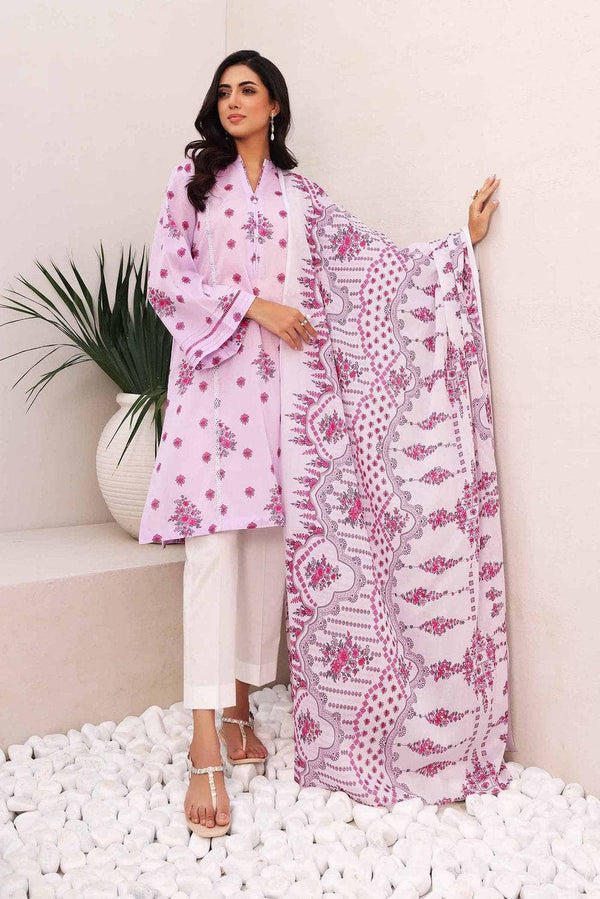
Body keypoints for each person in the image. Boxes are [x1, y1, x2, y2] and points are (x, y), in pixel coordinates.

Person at [139, 49, 503, 835]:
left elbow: (373, 265)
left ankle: (240, 708)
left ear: (275, 105)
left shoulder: (302, 198)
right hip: (211, 397)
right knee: (211, 555)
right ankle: (204, 741)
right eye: (224, 91)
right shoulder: (193, 180)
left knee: (268, 551)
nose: (233, 101)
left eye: (249, 90)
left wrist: (455, 247)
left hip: (284, 402)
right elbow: (166, 281)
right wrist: (255, 306)